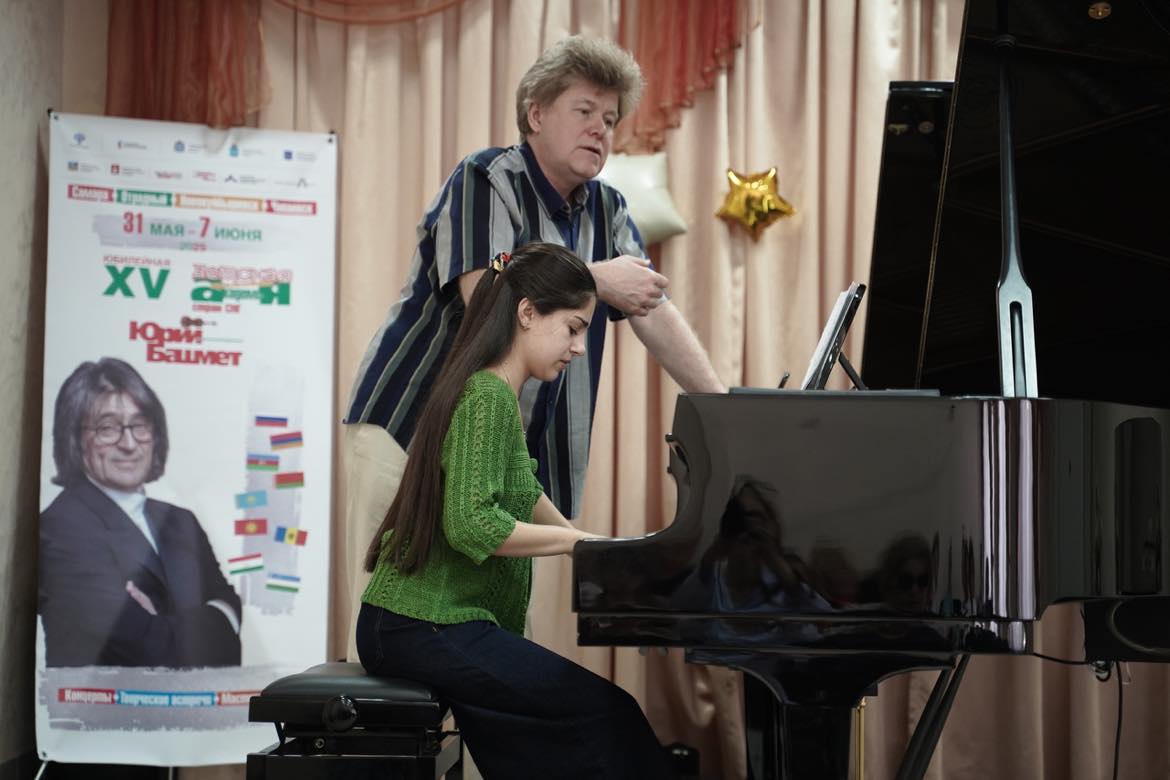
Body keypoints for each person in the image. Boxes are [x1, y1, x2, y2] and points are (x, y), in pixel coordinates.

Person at [342, 35, 725, 617]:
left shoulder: (610, 209)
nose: (600, 129)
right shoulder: (485, 178)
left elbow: (653, 307)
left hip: (506, 458)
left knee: (483, 627)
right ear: (536, 114)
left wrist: (721, 407)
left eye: (610, 119)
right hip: (410, 430)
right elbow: (488, 288)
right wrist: (594, 278)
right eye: (584, 110)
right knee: (387, 623)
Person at [356, 242, 675, 779]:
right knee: (610, 714)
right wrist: (576, 544)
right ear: (527, 312)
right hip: (420, 625)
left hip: (428, 625)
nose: (579, 348)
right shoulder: (486, 396)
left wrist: (595, 549)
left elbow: (524, 488)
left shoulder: (494, 392)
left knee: (534, 746)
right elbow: (472, 525)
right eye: (573, 328)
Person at [39, 357, 242, 668]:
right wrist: (214, 623)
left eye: (140, 425)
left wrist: (164, 624)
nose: (129, 443)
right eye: (108, 428)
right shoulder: (61, 529)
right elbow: (149, 651)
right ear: (75, 438)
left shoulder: (181, 521)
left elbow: (230, 605)